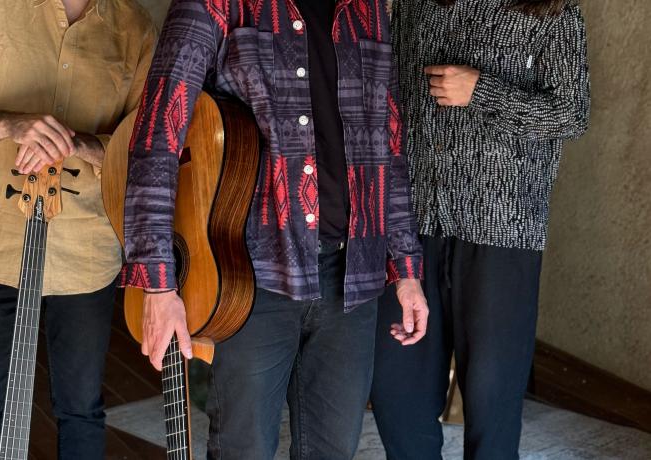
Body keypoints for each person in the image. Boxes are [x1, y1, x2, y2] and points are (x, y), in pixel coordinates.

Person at [122, 0, 429, 458]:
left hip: (352, 277)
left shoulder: (366, 8)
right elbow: (157, 135)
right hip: (250, 275)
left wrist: (405, 269)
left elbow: (388, 143)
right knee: (242, 450)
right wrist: (157, 284)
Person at [0, 0, 155, 457]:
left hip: (85, 251)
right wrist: (8, 124)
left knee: (81, 410)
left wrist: (77, 143)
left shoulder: (135, 26)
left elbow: (144, 149)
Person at [370, 0, 591, 459]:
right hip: (411, 224)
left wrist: (482, 91)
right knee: (397, 394)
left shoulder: (552, 10)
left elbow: (572, 113)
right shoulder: (415, 4)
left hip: (504, 230)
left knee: (493, 407)